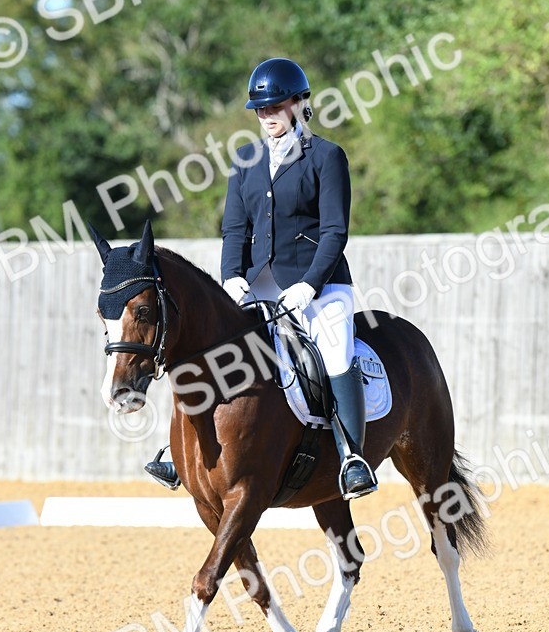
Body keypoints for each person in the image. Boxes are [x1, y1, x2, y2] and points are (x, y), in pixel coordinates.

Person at [147, 57, 378, 500]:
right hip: (258, 282)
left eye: (275, 107)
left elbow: (335, 231)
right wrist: (231, 277)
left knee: (333, 348)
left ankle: (351, 457)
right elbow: (235, 229)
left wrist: (310, 283)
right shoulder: (246, 162)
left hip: (321, 283)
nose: (267, 116)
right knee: (213, 345)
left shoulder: (326, 156)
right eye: (261, 110)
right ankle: (175, 448)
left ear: (297, 105)